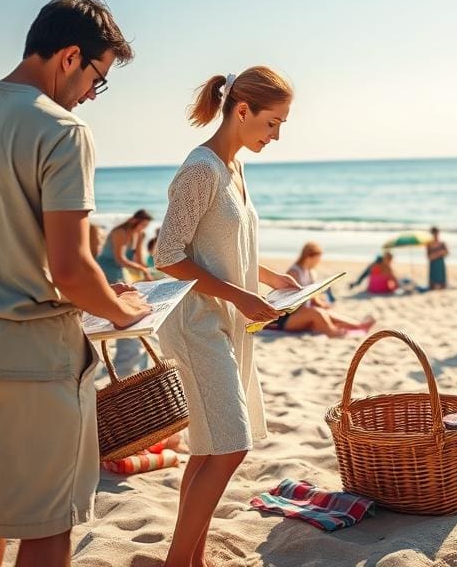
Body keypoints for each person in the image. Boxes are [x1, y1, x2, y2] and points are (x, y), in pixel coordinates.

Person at [0, 0, 149, 566]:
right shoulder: (62, 129)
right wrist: (123, 310)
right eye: (97, 79)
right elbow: (71, 269)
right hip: (26, 352)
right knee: (50, 521)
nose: (91, 95)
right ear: (70, 57)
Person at [153, 66, 301, 567]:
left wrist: (272, 278)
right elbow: (168, 255)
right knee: (231, 446)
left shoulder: (235, 167)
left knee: (208, 447)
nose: (276, 135)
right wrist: (240, 296)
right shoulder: (202, 169)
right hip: (196, 324)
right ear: (242, 110)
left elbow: (223, 247)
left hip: (224, 321)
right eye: (272, 122)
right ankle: (178, 563)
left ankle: (191, 559)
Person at [266, 242, 374, 336]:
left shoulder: (311, 272)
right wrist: (313, 307)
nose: (319, 261)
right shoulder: (294, 272)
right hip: (286, 318)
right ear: (310, 257)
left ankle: (358, 325)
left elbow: (312, 296)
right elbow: (288, 302)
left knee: (325, 312)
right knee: (317, 313)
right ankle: (333, 332)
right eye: (318, 258)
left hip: (302, 313)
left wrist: (321, 303)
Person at [96, 209, 154, 376]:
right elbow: (120, 259)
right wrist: (142, 269)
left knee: (130, 300)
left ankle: (127, 355)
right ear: (135, 220)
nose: (143, 228)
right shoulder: (120, 232)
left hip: (121, 271)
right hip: (106, 269)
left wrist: (148, 272)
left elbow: (139, 260)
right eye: (142, 224)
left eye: (146, 226)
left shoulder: (140, 235)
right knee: (116, 307)